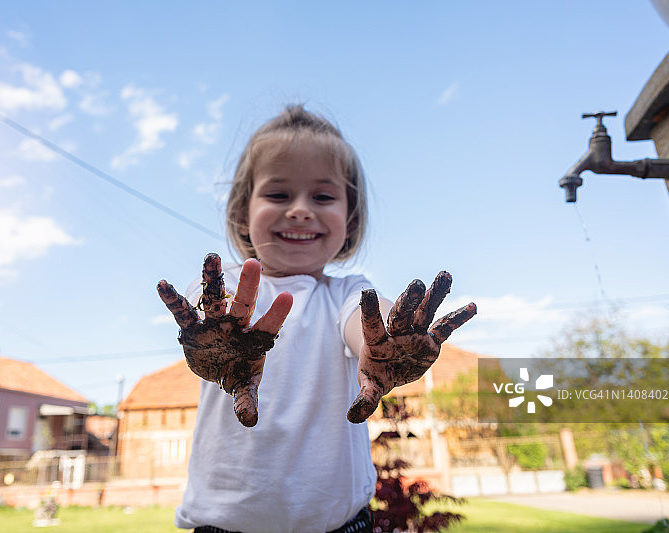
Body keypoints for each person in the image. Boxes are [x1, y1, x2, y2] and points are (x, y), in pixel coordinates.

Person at [157, 104, 476, 533]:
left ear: (351, 217)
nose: (301, 210)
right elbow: (209, 314)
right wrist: (225, 343)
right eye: (278, 194)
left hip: (342, 525)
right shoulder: (226, 292)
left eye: (323, 196)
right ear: (241, 213)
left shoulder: (345, 293)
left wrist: (384, 342)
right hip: (224, 525)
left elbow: (365, 321)